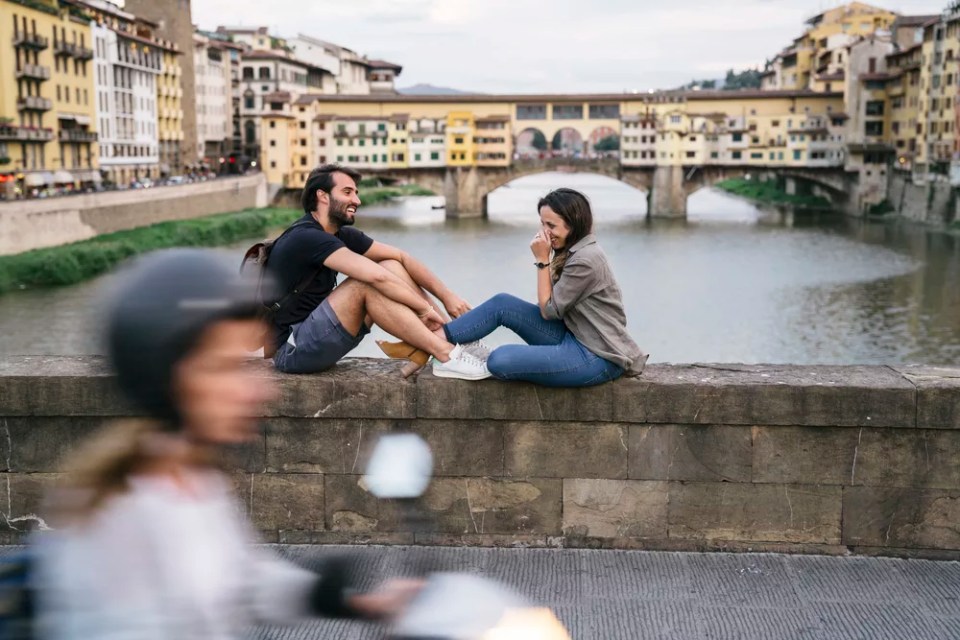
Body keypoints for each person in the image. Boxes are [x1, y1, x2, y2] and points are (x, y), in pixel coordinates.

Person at [34, 249, 420, 638]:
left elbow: (241, 581)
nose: (258, 390)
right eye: (224, 367)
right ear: (164, 379)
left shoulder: (191, 479)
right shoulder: (117, 525)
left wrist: (355, 601)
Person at [387, 188, 647, 387]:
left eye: (551, 225)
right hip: (575, 336)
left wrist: (542, 260)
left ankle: (425, 347)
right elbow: (550, 308)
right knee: (503, 304)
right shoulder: (573, 250)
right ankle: (431, 344)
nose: (544, 232)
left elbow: (547, 310)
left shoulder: (587, 260)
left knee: (498, 360)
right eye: (542, 224)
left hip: (597, 356)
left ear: (573, 224)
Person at [266, 164, 489, 380]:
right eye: (347, 192)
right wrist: (423, 309)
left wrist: (447, 296)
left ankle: (453, 336)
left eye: (356, 193)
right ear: (323, 196)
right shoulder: (307, 237)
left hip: (318, 335)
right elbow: (376, 277)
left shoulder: (339, 234)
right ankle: (447, 354)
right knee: (364, 284)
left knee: (390, 264)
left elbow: (401, 257)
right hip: (291, 350)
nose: (357, 200)